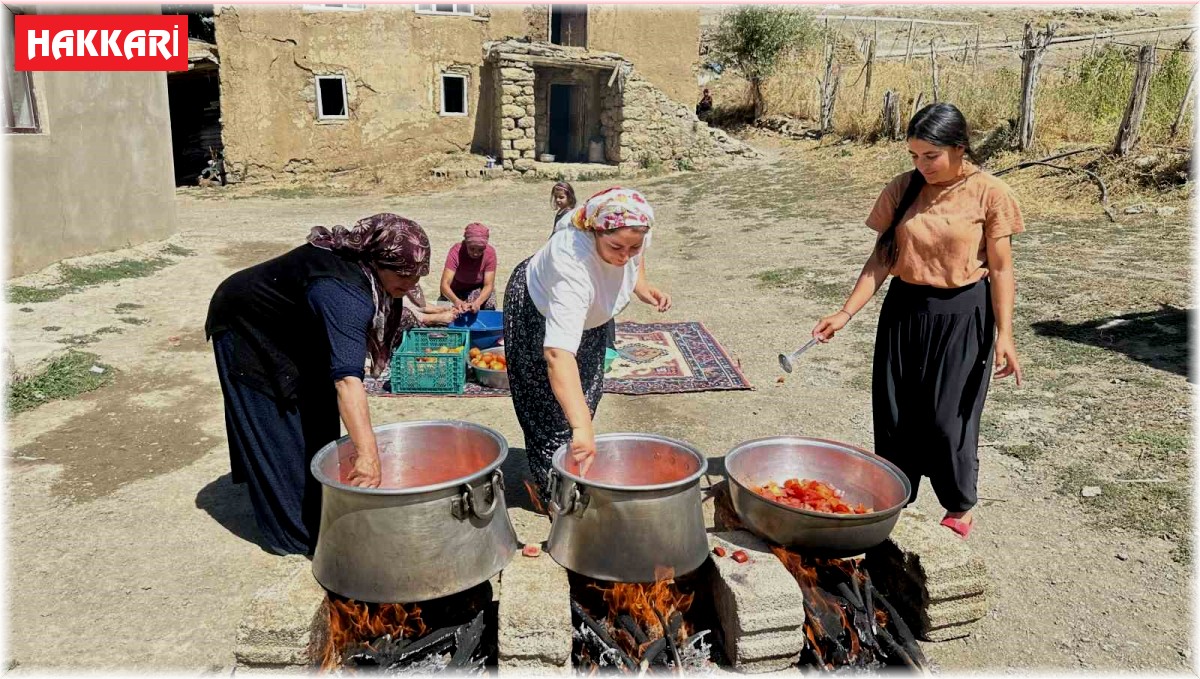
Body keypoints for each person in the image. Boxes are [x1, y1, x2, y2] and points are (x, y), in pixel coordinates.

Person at [811, 103, 1025, 541]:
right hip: (905, 309)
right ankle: (897, 495)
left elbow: (1001, 269)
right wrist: (845, 313)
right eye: (914, 155)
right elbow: (881, 260)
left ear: (959, 148)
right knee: (894, 412)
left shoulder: (990, 193)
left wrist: (1006, 335)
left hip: (964, 313)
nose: (921, 165)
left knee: (950, 418)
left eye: (930, 155)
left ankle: (959, 504)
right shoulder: (903, 189)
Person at [205, 213, 432, 555]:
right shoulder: (343, 295)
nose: (412, 281)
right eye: (403, 274)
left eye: (419, 273)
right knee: (279, 432)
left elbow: (379, 313)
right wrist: (368, 454)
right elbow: (346, 381)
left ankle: (319, 508)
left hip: (294, 327)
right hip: (245, 325)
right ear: (376, 261)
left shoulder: (368, 275)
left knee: (319, 424)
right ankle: (293, 542)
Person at [505, 188, 672, 506]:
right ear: (595, 231)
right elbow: (557, 354)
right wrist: (581, 426)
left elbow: (637, 251)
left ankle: (571, 463)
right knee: (550, 415)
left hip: (590, 316)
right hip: (534, 309)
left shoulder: (632, 225)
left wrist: (640, 285)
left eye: (633, 247)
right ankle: (553, 498)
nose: (625, 256)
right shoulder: (572, 265)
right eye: (615, 247)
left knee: (587, 394)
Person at [439, 222, 498, 313]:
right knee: (443, 311)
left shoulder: (490, 253)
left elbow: (488, 285)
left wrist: (478, 303)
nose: (475, 253)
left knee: (489, 303)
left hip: (477, 291)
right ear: (466, 243)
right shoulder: (456, 252)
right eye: (472, 249)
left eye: (480, 250)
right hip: (455, 291)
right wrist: (456, 301)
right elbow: (445, 284)